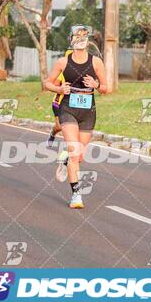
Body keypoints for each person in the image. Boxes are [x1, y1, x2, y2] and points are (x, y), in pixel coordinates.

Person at [45, 25, 107, 209]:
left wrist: (96, 84)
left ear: (88, 40)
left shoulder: (96, 62)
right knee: (74, 152)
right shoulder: (63, 62)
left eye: (84, 35)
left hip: (88, 112)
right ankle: (76, 195)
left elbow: (106, 88)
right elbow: (48, 83)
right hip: (68, 109)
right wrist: (59, 89)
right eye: (77, 35)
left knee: (78, 156)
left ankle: (65, 161)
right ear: (71, 39)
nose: (80, 38)